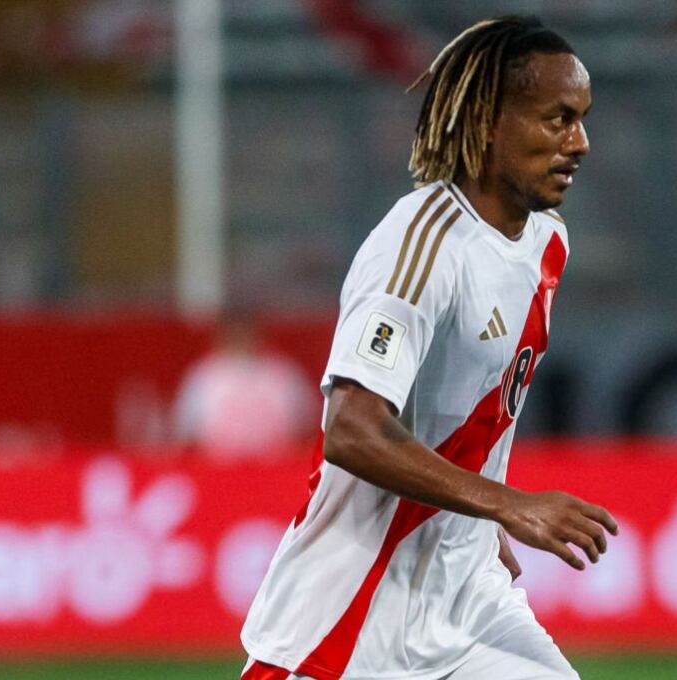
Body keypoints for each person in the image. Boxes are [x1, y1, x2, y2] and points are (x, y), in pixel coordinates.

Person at [240, 16, 617, 680]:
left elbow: (467, 416)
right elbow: (352, 430)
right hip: (349, 622)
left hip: (470, 607)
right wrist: (508, 503)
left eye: (581, 119)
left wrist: (475, 522)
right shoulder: (423, 246)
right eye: (557, 118)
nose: (579, 142)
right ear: (489, 120)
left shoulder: (547, 244)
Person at [173, 311, 315, 459]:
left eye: (245, 331)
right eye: (235, 332)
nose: (241, 337)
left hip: (277, 474)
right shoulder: (203, 377)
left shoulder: (286, 374)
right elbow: (185, 438)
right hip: (218, 475)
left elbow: (307, 431)